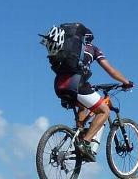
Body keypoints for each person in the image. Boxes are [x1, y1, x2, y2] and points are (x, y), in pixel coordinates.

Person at [52, 27, 133, 161]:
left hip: (60, 85)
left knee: (84, 106)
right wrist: (126, 82)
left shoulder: (67, 50)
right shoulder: (93, 49)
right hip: (78, 85)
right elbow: (111, 71)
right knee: (104, 111)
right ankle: (85, 142)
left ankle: (79, 135)